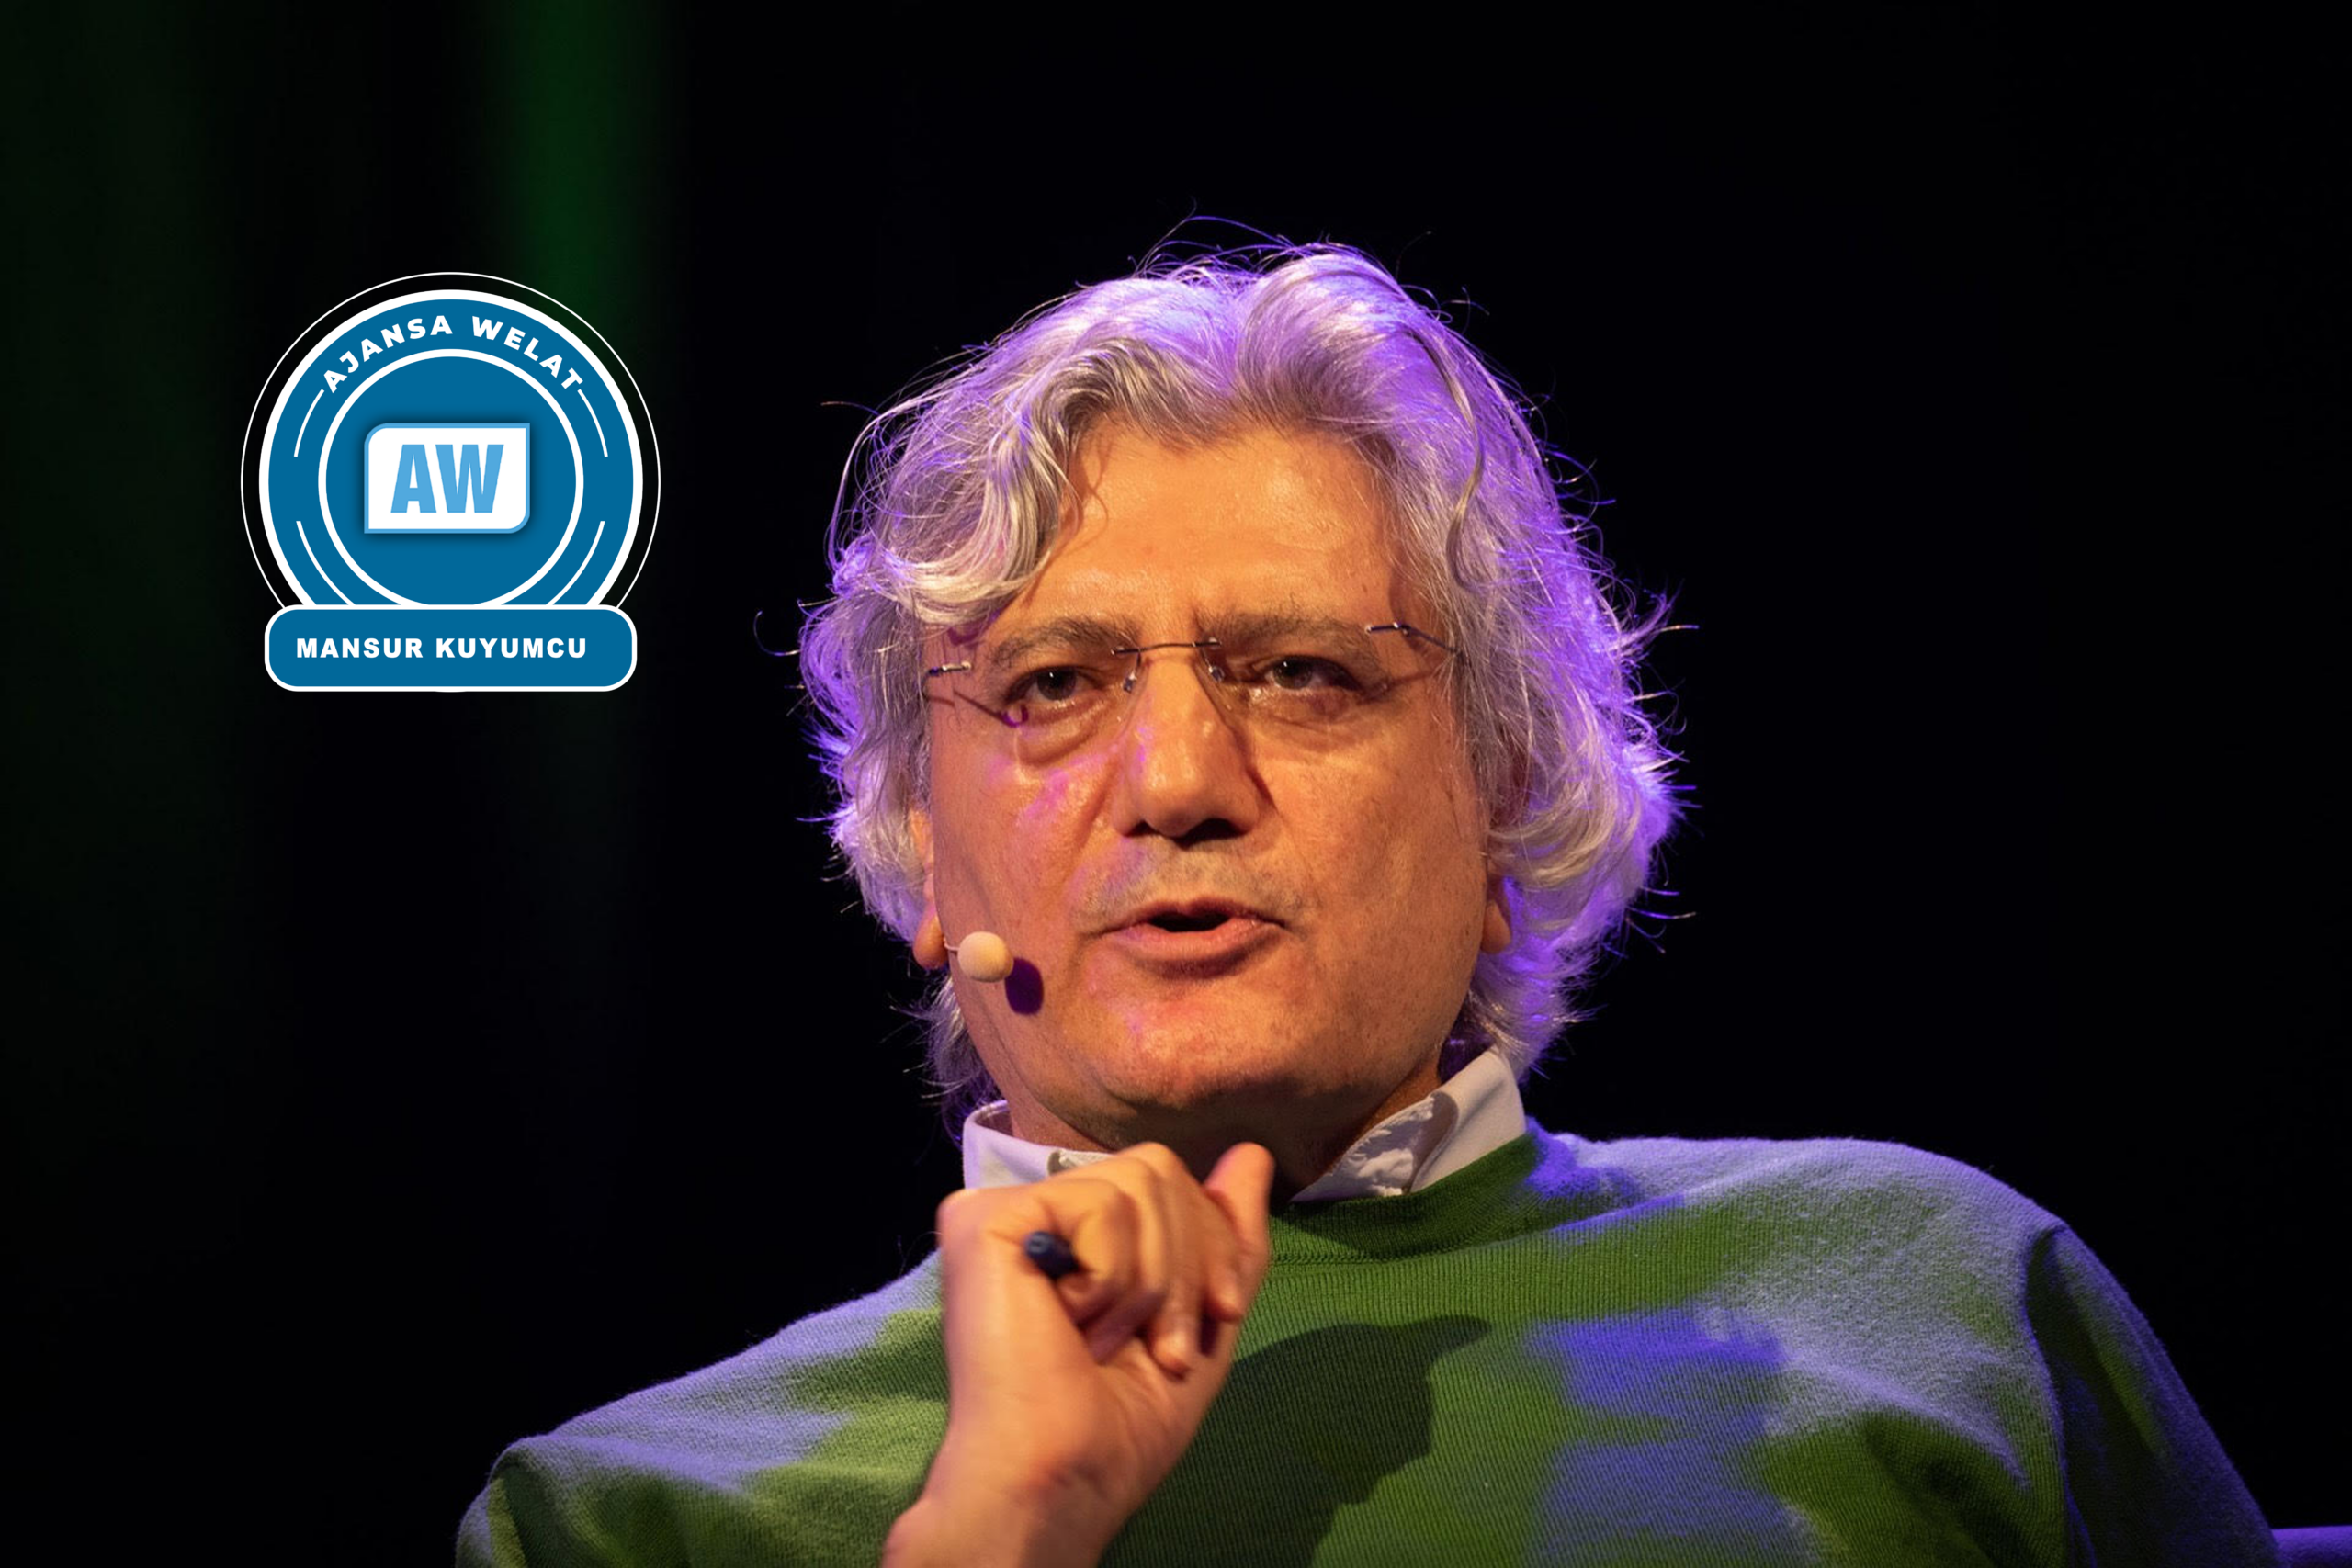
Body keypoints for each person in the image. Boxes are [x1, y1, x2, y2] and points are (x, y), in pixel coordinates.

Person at [458, 246, 2281, 1565]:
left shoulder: (1933, 1301)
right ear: (924, 839)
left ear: (1508, 788)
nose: (1178, 779)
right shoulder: (630, 1515)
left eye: (1302, 673)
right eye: (1054, 685)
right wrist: (996, 1534)